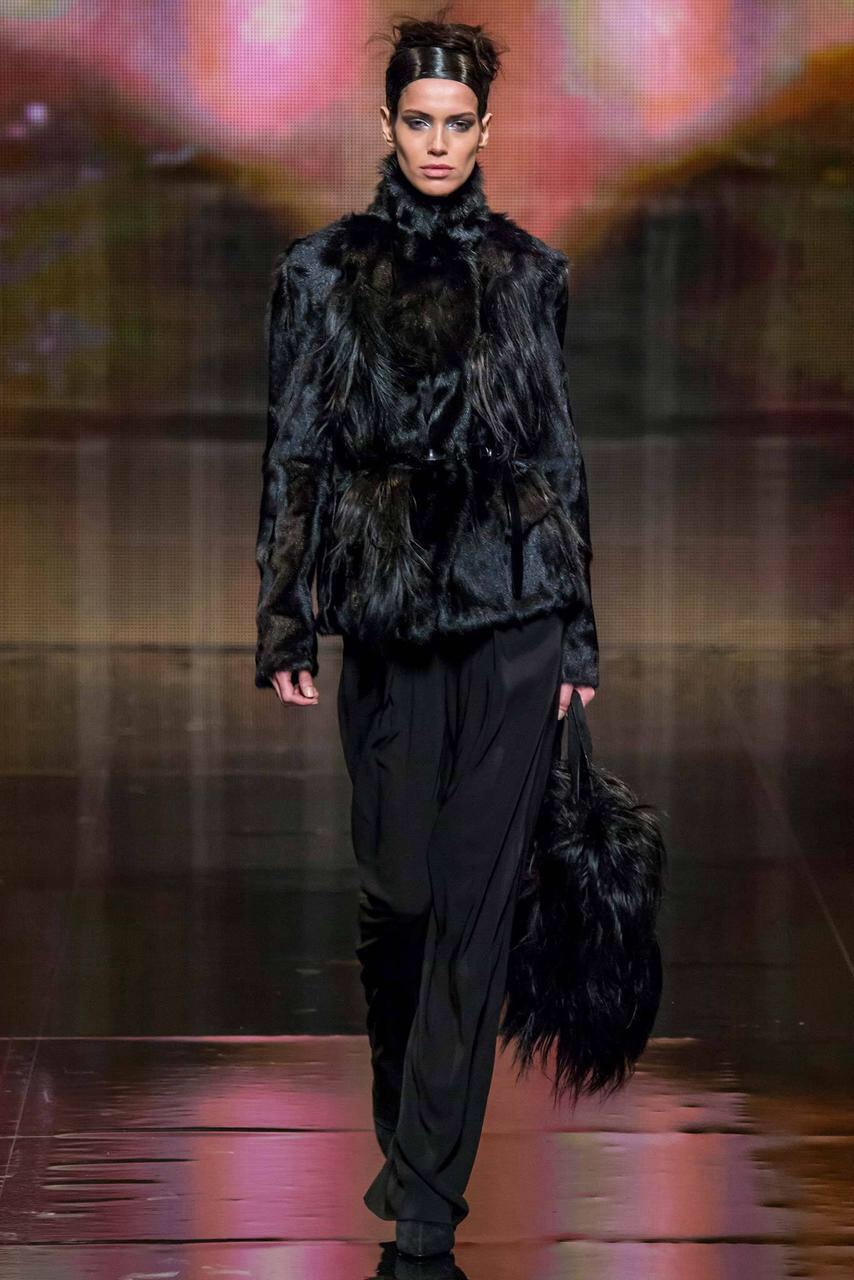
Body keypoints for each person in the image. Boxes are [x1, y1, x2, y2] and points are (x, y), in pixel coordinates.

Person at [253, 9, 600, 1266]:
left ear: (485, 128)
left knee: (473, 912)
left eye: (458, 123)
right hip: (390, 627)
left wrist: (577, 638)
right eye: (419, 121)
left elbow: (555, 458)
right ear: (387, 125)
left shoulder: (530, 275)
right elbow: (292, 450)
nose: (439, 143)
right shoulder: (319, 273)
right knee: (399, 893)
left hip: (513, 622)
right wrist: (285, 614)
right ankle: (408, 1131)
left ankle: (424, 1206)